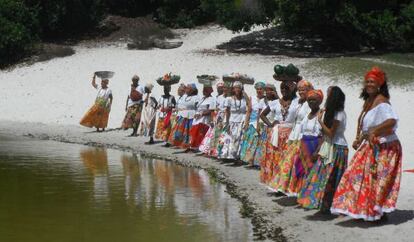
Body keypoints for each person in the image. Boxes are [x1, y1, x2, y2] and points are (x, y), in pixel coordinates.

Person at [331, 67, 402, 221]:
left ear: (379, 85)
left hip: (385, 147)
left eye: (373, 82)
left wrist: (374, 131)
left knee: (375, 179)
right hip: (371, 145)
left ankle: (376, 211)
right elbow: (364, 124)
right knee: (357, 176)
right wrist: (360, 137)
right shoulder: (369, 101)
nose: (369, 84)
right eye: (367, 81)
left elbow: (391, 121)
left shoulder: (382, 101)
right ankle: (364, 208)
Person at [297, 86, 348, 212]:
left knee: (332, 176)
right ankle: (323, 203)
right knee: (323, 176)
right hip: (330, 145)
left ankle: (331, 205)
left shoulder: (339, 113)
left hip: (337, 146)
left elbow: (330, 133)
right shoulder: (334, 112)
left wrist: (320, 121)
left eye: (329, 94)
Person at [269, 80, 313, 194]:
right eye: (299, 90)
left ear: (309, 90)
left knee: (296, 162)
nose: (301, 92)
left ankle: (296, 188)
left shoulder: (310, 103)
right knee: (288, 161)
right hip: (294, 134)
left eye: (303, 90)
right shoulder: (299, 103)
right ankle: (285, 187)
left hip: (302, 135)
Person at [260, 79, 299, 185]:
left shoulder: (296, 102)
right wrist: (270, 124)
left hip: (289, 134)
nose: (284, 90)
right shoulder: (275, 103)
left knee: (286, 158)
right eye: (282, 88)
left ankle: (282, 183)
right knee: (275, 158)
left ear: (292, 90)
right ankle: (273, 181)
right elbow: (262, 115)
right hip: (276, 134)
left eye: (287, 88)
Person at [218, 81, 250, 162]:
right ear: (233, 89)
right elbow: (227, 112)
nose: (237, 89)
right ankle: (227, 156)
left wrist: (245, 94)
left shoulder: (244, 99)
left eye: (239, 87)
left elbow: (249, 107)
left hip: (241, 120)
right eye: (236, 87)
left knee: (239, 139)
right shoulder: (229, 99)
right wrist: (227, 122)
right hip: (232, 120)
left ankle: (237, 157)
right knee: (230, 138)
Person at [199, 81, 230, 157]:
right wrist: (213, 119)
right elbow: (214, 109)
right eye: (219, 88)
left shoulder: (230, 98)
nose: (221, 89)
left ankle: (222, 153)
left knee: (224, 136)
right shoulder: (218, 98)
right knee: (216, 135)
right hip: (219, 117)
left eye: (223, 88)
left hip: (227, 117)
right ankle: (212, 151)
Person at [239, 81, 266, 166]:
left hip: (260, 123)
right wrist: (246, 122)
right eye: (257, 89)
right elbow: (249, 111)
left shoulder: (265, 99)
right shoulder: (253, 98)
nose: (259, 90)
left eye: (261, 89)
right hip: (252, 122)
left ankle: (255, 160)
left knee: (258, 143)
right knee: (250, 142)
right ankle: (249, 160)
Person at [171, 83, 199, 148]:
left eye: (188, 88)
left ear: (192, 90)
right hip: (183, 116)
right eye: (186, 88)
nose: (186, 89)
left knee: (188, 131)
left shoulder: (196, 98)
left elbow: (198, 107)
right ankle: (179, 144)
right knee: (180, 131)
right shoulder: (184, 96)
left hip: (191, 116)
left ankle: (188, 146)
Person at [188, 84, 215, 152]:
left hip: (204, 119)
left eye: (205, 90)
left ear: (209, 91)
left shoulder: (212, 99)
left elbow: (211, 110)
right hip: (197, 118)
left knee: (200, 133)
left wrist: (201, 114)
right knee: (194, 132)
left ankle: (198, 147)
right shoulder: (202, 99)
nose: (204, 91)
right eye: (203, 90)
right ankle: (193, 146)